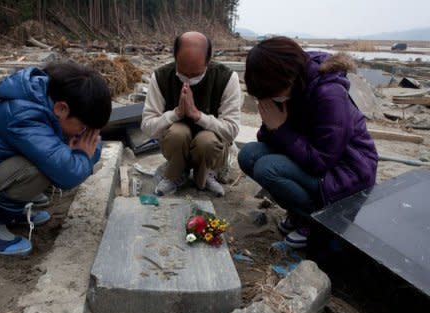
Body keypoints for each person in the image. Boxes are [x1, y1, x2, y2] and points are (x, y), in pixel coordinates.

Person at [0, 62, 112, 256]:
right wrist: (83, 154)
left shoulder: (47, 103)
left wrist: (84, 148)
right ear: (62, 108)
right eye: (84, 127)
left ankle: (10, 211)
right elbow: (66, 175)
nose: (86, 134)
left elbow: (86, 146)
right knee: (39, 171)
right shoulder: (25, 116)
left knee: (49, 160)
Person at [238, 36, 378, 248]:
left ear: (288, 77)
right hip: (315, 160)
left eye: (271, 93)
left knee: (268, 169)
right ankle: (298, 213)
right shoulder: (291, 87)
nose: (269, 99)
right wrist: (271, 125)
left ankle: (314, 221)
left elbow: (321, 161)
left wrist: (280, 129)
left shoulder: (328, 93)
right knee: (248, 154)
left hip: (348, 172)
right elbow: (267, 141)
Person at [141, 31, 241, 197]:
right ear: (175, 58)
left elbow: (232, 131)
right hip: (176, 145)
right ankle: (176, 174)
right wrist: (176, 113)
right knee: (177, 132)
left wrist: (198, 115)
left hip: (211, 148)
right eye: (182, 73)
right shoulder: (161, 77)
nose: (187, 81)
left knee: (206, 140)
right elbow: (147, 127)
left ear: (208, 62)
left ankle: (207, 173)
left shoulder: (227, 78)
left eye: (195, 75)